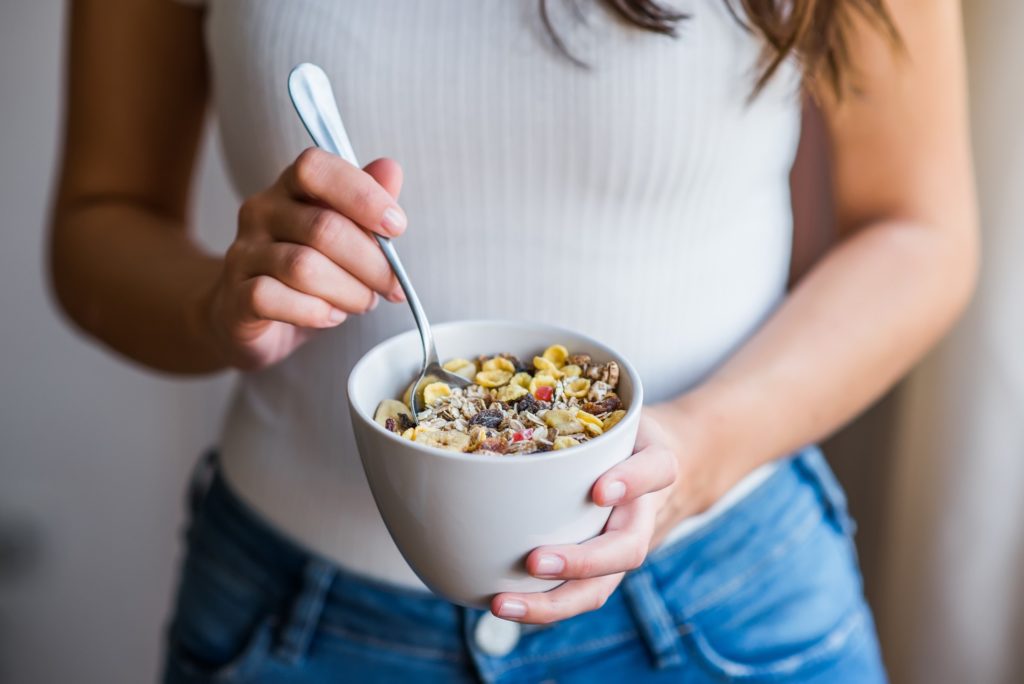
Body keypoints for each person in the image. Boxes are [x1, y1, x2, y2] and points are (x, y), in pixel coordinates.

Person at [50, 0, 976, 681]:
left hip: (721, 606)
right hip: (301, 625)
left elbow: (917, 228)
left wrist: (698, 449)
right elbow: (100, 221)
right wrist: (218, 305)